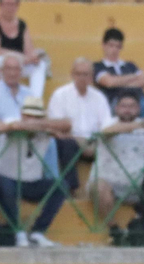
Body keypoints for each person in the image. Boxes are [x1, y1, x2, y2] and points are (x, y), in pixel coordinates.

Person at [0, 96, 65, 247]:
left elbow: (67, 124)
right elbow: (13, 126)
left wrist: (41, 126)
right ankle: (18, 232)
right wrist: (40, 127)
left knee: (61, 186)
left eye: (37, 117)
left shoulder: (44, 130)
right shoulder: (12, 121)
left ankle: (38, 232)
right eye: (29, 116)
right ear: (22, 115)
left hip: (31, 182)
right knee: (4, 185)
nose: (33, 120)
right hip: (6, 179)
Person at [91, 92, 144, 224]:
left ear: (138, 109)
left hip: (139, 183)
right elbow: (107, 132)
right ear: (116, 108)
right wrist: (142, 124)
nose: (127, 110)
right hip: (109, 181)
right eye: (123, 106)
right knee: (98, 187)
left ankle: (143, 224)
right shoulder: (108, 123)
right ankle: (114, 229)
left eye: (132, 106)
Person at [46, 55, 110, 195]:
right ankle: (70, 188)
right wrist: (79, 141)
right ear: (72, 74)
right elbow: (56, 126)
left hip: (94, 143)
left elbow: (106, 126)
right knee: (67, 144)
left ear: (91, 76)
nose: (82, 78)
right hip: (70, 141)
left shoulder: (99, 97)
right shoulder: (60, 95)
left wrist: (93, 143)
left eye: (86, 74)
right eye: (78, 74)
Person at [0, 0, 46, 98]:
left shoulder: (22, 25)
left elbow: (29, 51)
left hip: (19, 62)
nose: (10, 8)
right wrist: (20, 58)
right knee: (6, 63)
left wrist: (33, 58)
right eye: (7, 4)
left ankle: (35, 100)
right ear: (0, 5)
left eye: (13, 4)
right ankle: (5, 96)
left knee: (40, 65)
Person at [93, 28, 144, 109]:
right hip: (115, 102)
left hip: (138, 100)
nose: (114, 50)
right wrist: (133, 77)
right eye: (111, 46)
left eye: (118, 46)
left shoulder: (130, 65)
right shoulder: (98, 66)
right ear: (104, 45)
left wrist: (118, 83)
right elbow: (109, 82)